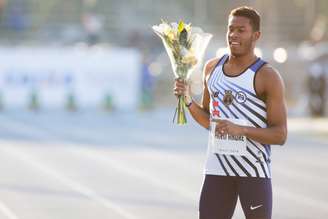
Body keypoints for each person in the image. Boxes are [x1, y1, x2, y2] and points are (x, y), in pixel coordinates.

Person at [174, 6, 287, 219]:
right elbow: (209, 121)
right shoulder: (211, 69)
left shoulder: (267, 76)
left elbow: (280, 135)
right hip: (217, 170)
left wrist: (241, 130)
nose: (233, 35)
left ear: (256, 35)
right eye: (230, 29)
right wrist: (187, 98)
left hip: (253, 172)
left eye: (241, 30)